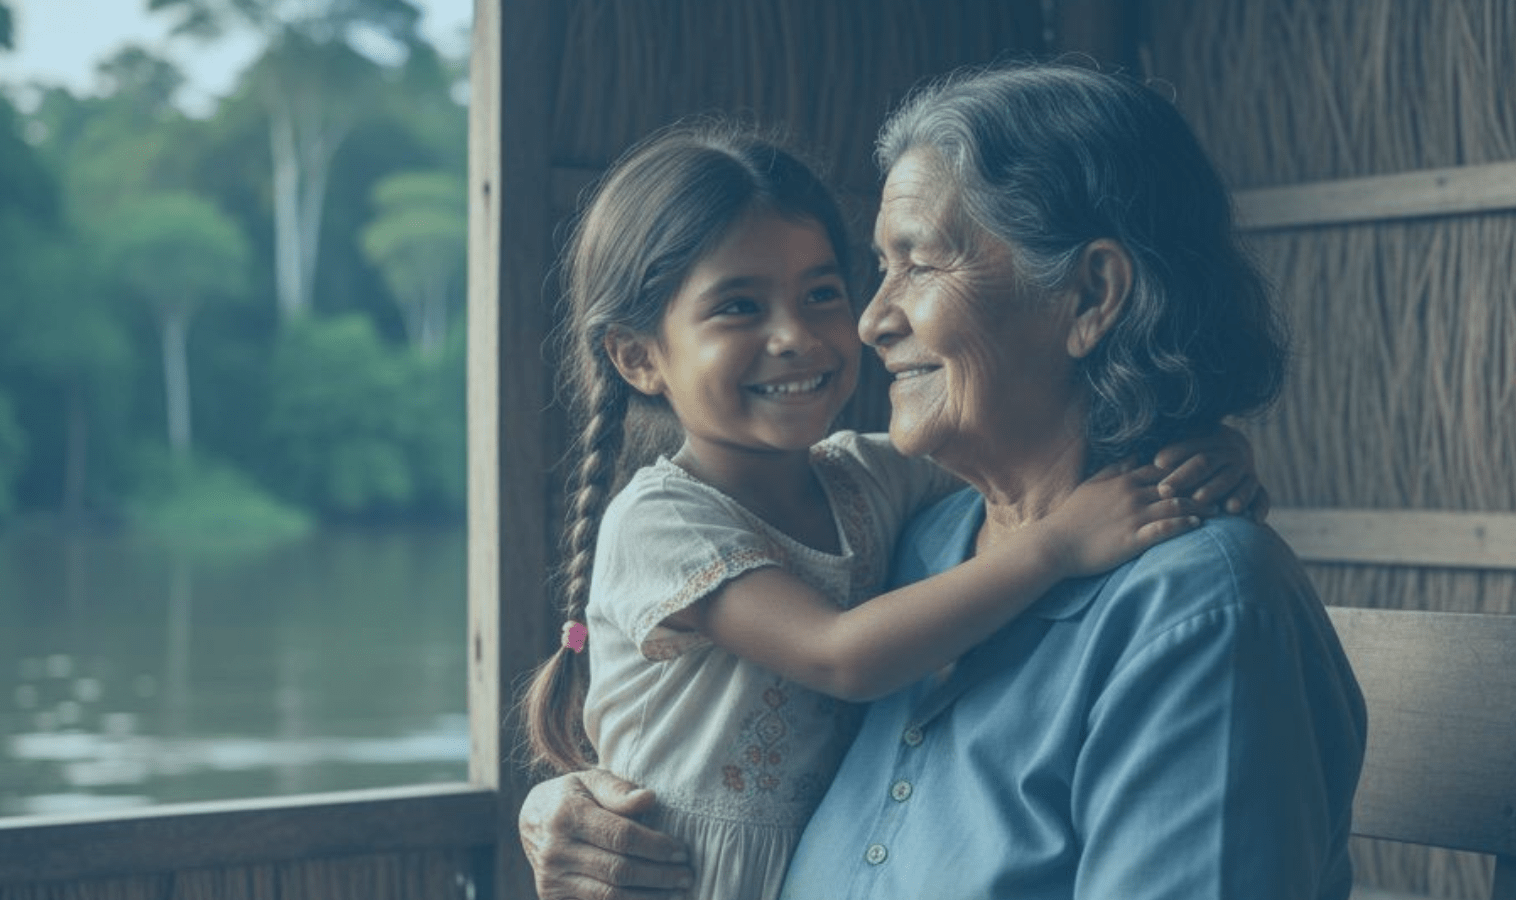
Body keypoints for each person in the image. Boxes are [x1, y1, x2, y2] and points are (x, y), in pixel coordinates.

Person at [518, 62, 1367, 900]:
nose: (869, 320)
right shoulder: (916, 541)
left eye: (918, 265)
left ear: (1090, 296)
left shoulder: (1195, 608)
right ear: (638, 357)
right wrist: (575, 803)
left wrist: (1203, 439)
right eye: (879, 269)